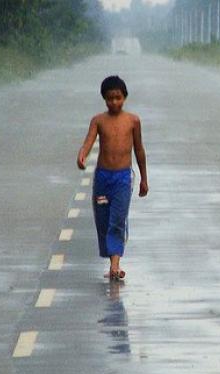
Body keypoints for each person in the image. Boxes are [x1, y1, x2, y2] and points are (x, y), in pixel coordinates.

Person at [77, 75, 148, 280]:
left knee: (117, 220)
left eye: (118, 98)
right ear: (104, 99)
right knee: (103, 220)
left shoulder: (133, 121)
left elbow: (139, 150)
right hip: (102, 179)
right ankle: (112, 261)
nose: (114, 102)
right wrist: (82, 154)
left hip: (123, 180)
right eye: (110, 98)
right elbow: (89, 142)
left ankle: (115, 265)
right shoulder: (98, 120)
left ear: (124, 97)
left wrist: (144, 178)